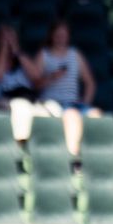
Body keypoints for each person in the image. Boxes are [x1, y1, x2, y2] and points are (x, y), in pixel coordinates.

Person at [35, 19, 100, 157]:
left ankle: (96, 157)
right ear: (51, 36)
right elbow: (35, 83)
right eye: (58, 35)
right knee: (71, 116)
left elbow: (90, 83)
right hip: (52, 104)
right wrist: (52, 77)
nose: (60, 39)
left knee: (96, 114)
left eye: (63, 35)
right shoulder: (43, 55)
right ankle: (73, 158)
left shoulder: (75, 55)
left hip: (74, 103)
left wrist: (85, 102)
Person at [0, 24, 45, 144]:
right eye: (4, 38)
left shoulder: (23, 60)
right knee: (20, 106)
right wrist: (4, 49)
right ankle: (19, 147)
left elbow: (37, 77)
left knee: (46, 108)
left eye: (11, 38)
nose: (9, 41)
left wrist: (17, 52)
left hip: (26, 99)